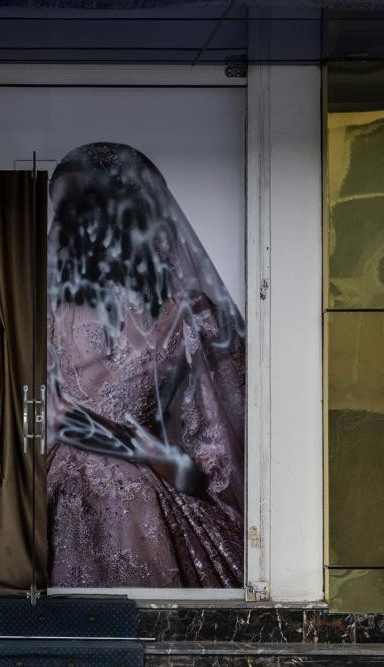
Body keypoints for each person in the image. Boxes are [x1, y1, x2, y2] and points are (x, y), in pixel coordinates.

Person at [46, 143, 245, 588]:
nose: (65, 227)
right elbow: (36, 408)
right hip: (52, 489)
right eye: (62, 212)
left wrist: (162, 457)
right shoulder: (47, 308)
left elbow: (219, 446)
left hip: (144, 502)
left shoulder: (192, 315)